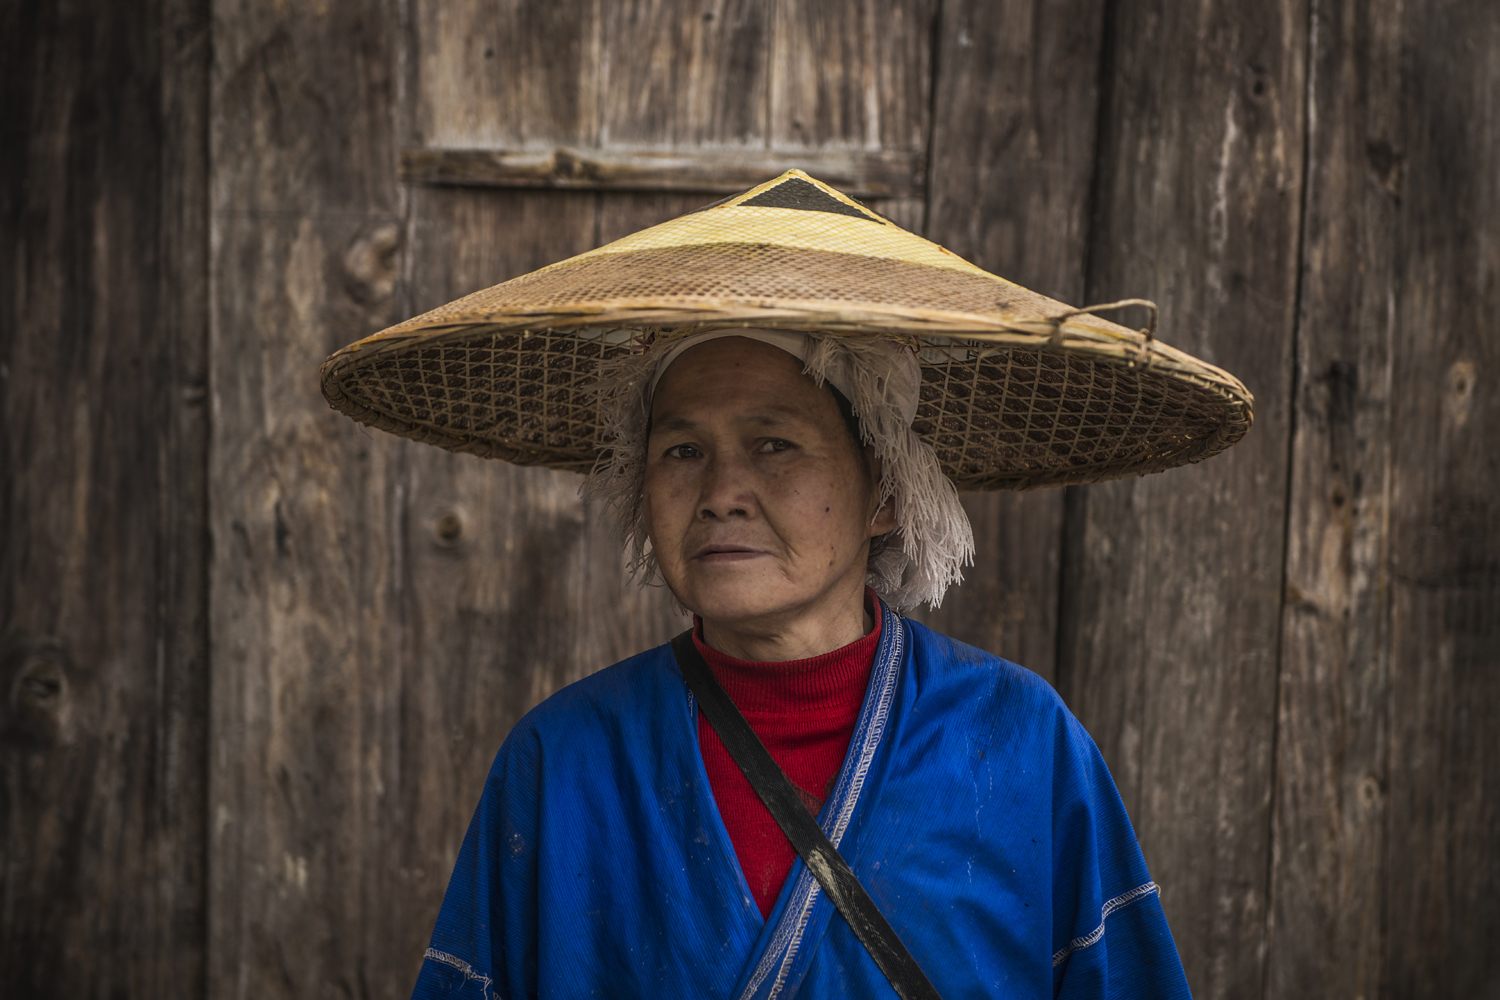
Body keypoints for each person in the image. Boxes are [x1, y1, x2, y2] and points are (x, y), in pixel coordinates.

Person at [320, 170, 1253, 999]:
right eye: (682, 451)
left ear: (883, 490)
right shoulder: (563, 763)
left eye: (775, 445)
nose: (722, 493)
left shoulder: (1022, 743)